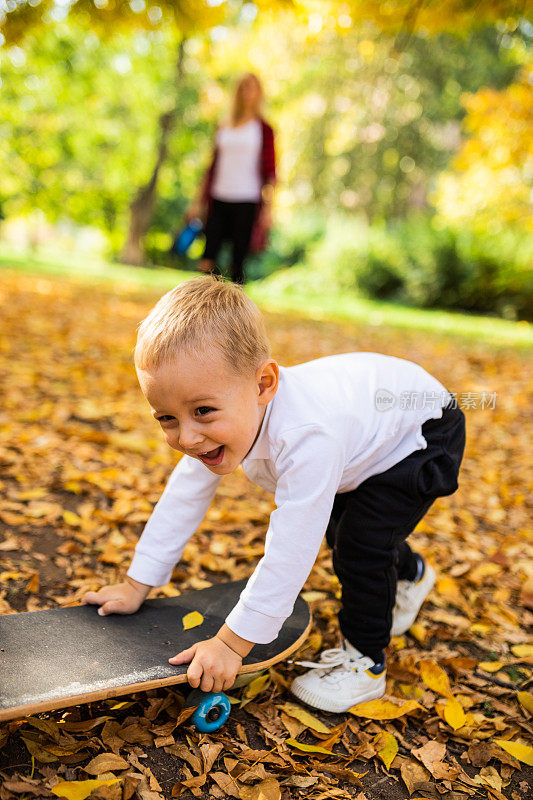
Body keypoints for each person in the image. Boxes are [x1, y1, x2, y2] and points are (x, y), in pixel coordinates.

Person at [83, 277, 466, 713]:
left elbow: (291, 547)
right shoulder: (220, 421)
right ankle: (411, 572)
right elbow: (184, 495)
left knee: (361, 542)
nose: (186, 437)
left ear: (263, 385)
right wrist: (137, 583)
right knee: (346, 530)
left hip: (422, 430)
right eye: (166, 418)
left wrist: (232, 644)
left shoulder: (307, 436)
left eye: (203, 411)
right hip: (365, 435)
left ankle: (366, 664)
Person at [186, 73, 276, 284]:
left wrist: (269, 209)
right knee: (207, 260)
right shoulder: (223, 126)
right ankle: (202, 312)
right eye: (243, 87)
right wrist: (197, 202)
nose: (247, 92)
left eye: (252, 87)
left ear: (259, 93)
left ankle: (237, 316)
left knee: (238, 263)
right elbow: (211, 167)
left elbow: (271, 173)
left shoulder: (264, 129)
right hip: (218, 196)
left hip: (247, 198)